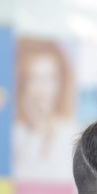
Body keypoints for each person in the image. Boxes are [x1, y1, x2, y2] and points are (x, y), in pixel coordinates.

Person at [12, 38, 77, 182]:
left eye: (50, 78)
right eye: (34, 78)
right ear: (22, 83)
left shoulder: (70, 132)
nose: (43, 89)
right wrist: (35, 130)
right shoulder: (15, 133)